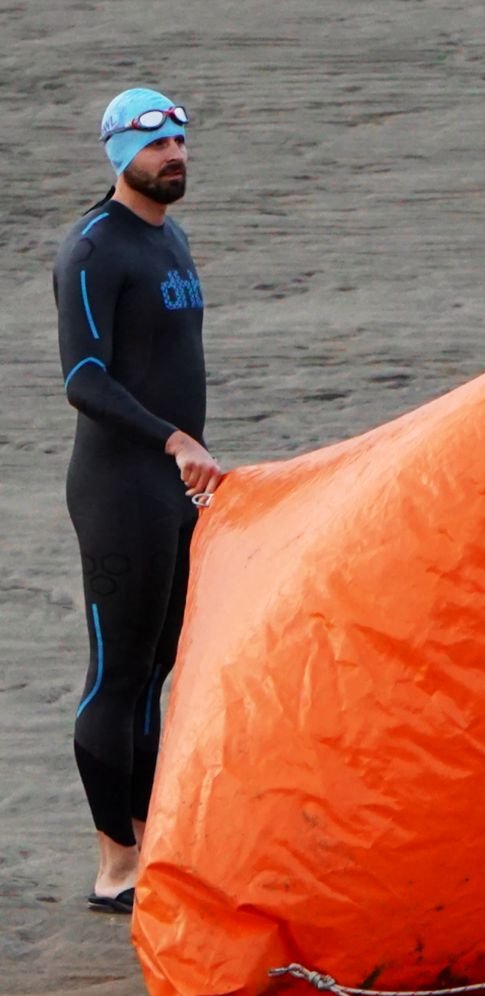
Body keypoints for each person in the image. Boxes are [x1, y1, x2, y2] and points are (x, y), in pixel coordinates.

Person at [53, 88, 223, 914]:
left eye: (180, 142)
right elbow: (84, 377)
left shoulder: (173, 238)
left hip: (174, 488)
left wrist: (187, 452)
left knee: (159, 669)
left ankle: (150, 836)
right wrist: (172, 439)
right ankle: (113, 863)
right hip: (120, 488)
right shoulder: (95, 250)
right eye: (156, 146)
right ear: (119, 153)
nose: (174, 155)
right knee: (116, 675)